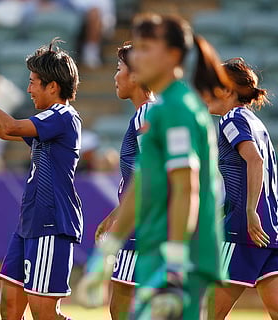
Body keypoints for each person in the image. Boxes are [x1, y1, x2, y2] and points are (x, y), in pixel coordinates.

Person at [77, 13, 230, 319]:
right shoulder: (159, 111)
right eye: (137, 48)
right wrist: (107, 253)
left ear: (174, 55)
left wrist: (174, 263)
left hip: (180, 257)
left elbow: (187, 188)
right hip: (156, 247)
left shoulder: (177, 109)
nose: (136, 56)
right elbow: (143, 182)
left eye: (146, 47)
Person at [0, 38, 82, 320]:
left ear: (52, 86)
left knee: (44, 313)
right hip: (30, 222)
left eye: (33, 81)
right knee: (10, 306)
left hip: (51, 223)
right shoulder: (48, 120)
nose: (28, 89)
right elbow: (5, 132)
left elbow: (9, 126)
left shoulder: (63, 116)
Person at [201, 58, 278, 319]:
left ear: (229, 91)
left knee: (208, 313)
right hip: (274, 229)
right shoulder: (255, 122)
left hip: (246, 230)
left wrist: (250, 211)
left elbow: (255, 160)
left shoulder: (231, 120)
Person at [92, 41, 153, 320]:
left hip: (142, 225)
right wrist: (114, 215)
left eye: (119, 69)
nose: (115, 76)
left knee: (121, 305)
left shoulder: (145, 115)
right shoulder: (148, 113)